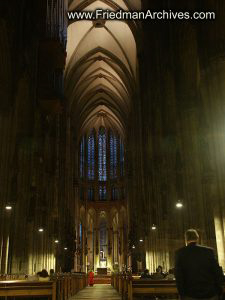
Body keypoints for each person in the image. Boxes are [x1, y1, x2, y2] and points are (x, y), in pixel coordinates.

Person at [175, 229, 224, 300]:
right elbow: (217, 271)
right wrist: (219, 290)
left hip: (189, 294)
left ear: (186, 239)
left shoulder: (180, 253)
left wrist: (181, 294)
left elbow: (178, 276)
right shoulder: (209, 251)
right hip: (210, 293)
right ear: (197, 238)